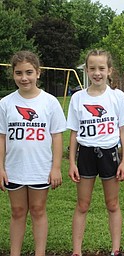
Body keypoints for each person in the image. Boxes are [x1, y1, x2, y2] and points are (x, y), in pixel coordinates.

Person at [67, 49, 124, 256]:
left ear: (109, 70)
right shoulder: (78, 98)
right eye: (93, 68)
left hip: (109, 154)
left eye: (101, 68)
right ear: (86, 70)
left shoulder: (117, 97)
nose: (97, 73)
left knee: (113, 204)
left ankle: (115, 250)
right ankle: (76, 251)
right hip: (86, 154)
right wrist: (71, 162)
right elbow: (73, 134)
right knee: (82, 205)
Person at [0, 51, 66, 256]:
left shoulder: (49, 102)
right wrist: (0, 167)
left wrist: (56, 168)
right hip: (14, 168)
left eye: (29, 72)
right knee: (17, 212)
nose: (24, 77)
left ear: (38, 73)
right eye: (18, 73)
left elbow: (56, 137)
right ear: (13, 74)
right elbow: (1, 137)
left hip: (40, 167)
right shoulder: (5, 103)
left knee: (38, 210)